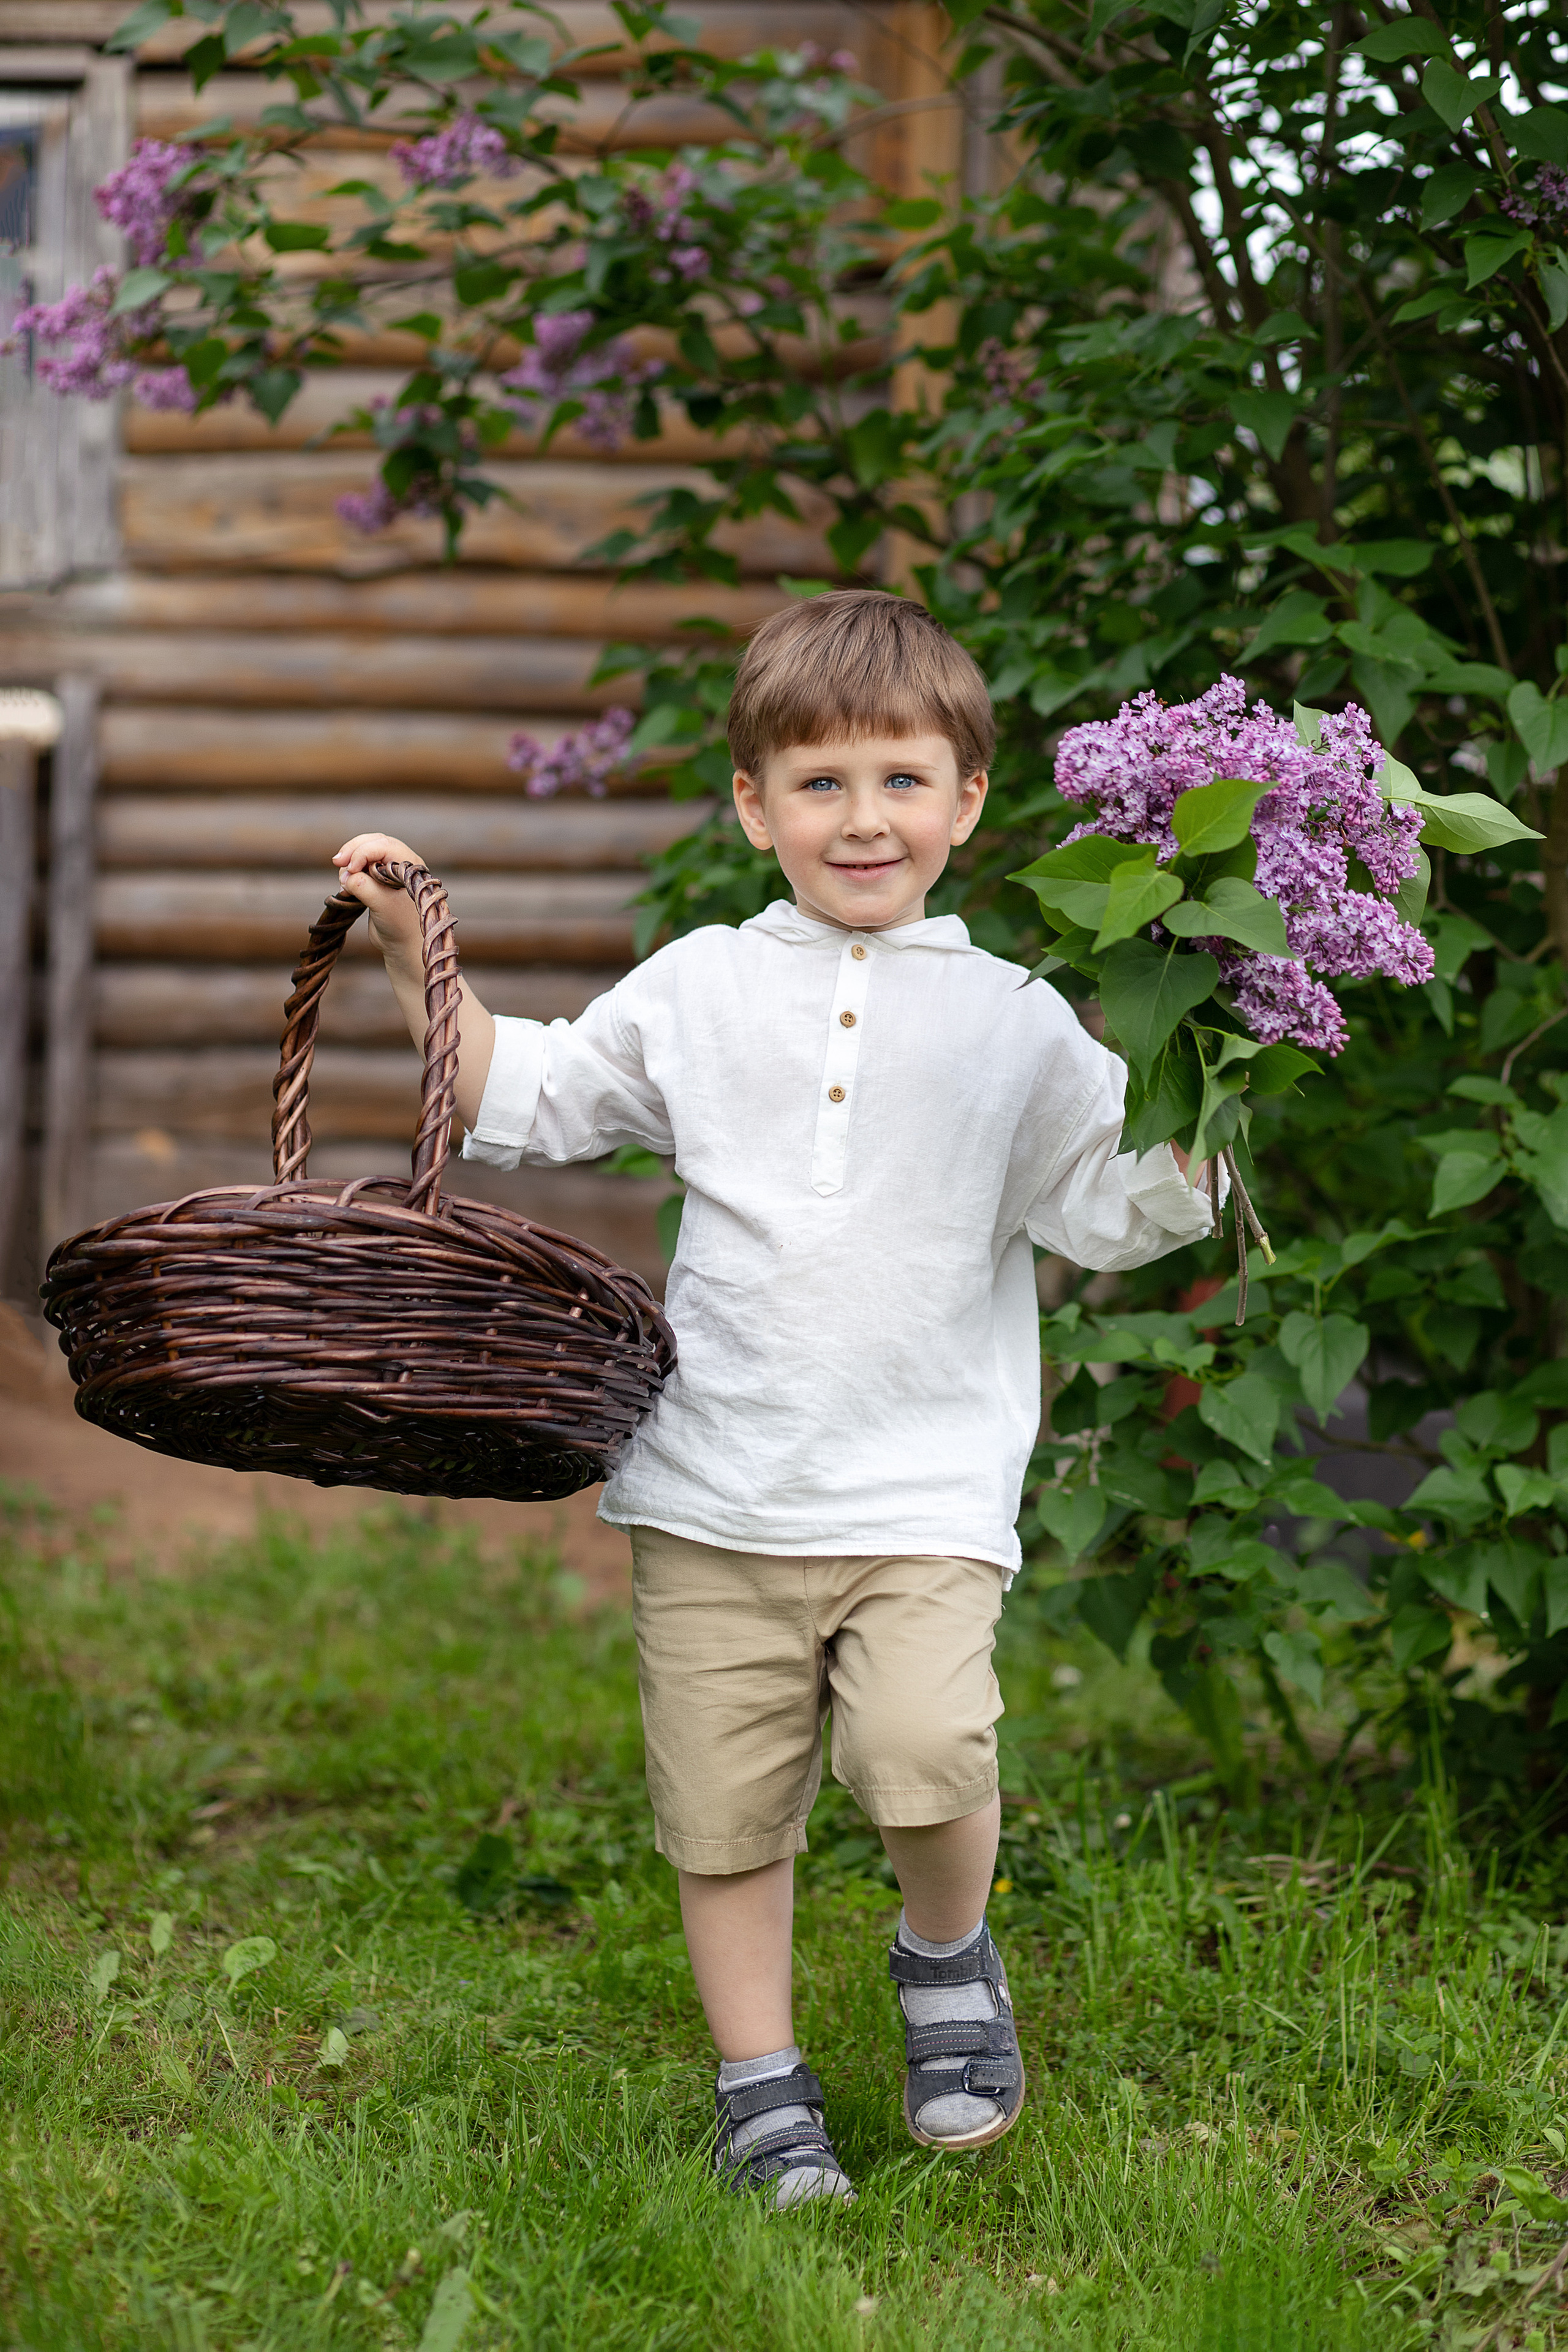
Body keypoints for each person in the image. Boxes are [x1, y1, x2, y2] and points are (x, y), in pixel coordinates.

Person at [334, 588, 1215, 2209]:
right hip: (716, 1484)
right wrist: (412, 957)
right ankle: (763, 2086)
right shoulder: (701, 987)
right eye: (819, 783)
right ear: (753, 805)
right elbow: (527, 1099)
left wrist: (1217, 1060)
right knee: (725, 1807)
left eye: (900, 780)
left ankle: (947, 1959)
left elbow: (1120, 1206)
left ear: (967, 799)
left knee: (928, 1746)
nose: (861, 818)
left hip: (923, 1489)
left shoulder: (1019, 1022)